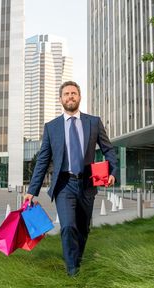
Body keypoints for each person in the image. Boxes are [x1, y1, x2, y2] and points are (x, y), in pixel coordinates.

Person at [24, 81, 118, 276]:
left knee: (83, 229)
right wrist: (31, 191)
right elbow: (42, 160)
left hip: (87, 183)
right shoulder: (52, 127)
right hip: (64, 185)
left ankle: (77, 260)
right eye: (66, 94)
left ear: (79, 97)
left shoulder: (93, 122)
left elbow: (109, 150)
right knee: (68, 227)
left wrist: (112, 172)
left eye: (73, 93)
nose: (70, 97)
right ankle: (72, 272)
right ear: (61, 99)